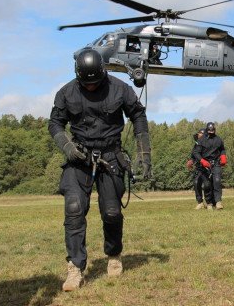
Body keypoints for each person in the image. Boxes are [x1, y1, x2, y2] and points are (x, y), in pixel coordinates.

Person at [48, 48, 152, 291]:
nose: (92, 87)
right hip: (79, 157)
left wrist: (144, 154)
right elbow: (55, 123)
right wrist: (67, 146)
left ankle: (114, 255)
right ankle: (75, 268)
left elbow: (138, 116)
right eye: (87, 84)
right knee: (74, 209)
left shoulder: (119, 88)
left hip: (111, 156)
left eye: (96, 82)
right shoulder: (66, 92)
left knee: (112, 213)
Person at [192, 122, 227, 210]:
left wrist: (223, 157)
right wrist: (202, 160)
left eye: (213, 131)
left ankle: (218, 202)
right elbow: (196, 152)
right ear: (207, 130)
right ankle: (209, 203)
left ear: (214, 130)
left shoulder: (218, 139)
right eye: (209, 131)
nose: (211, 133)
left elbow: (222, 149)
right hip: (204, 164)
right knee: (207, 185)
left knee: (217, 180)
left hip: (216, 163)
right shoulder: (201, 140)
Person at [187, 129, 210, 209]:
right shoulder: (196, 145)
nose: (198, 135)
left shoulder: (208, 144)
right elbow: (193, 155)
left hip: (207, 167)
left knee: (207, 185)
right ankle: (200, 202)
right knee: (196, 182)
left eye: (200, 133)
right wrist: (191, 161)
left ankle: (209, 202)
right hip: (198, 167)